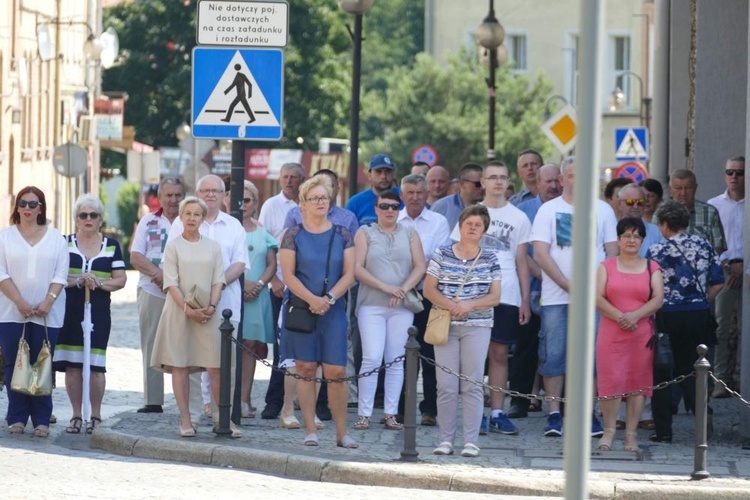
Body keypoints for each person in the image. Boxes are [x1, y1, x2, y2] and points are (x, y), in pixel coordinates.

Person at [531, 156, 618, 437]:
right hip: (556, 296)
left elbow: (612, 251)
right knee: (554, 355)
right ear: (561, 179)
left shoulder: (603, 210)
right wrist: (568, 285)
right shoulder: (548, 210)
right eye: (571, 175)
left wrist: (597, 287)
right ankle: (555, 414)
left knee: (592, 356)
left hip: (594, 298)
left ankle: (586, 412)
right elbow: (540, 253)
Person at [279, 176, 357, 448]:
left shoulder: (342, 234)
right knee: (306, 368)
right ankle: (310, 429)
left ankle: (341, 433)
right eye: (314, 198)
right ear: (303, 204)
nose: (320, 202)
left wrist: (329, 298)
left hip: (333, 310)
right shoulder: (292, 235)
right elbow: (288, 275)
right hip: (302, 307)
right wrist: (313, 299)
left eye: (324, 197)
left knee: (336, 370)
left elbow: (350, 274)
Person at [454, 161, 530, 436]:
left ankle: (497, 412)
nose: (497, 182)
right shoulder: (470, 214)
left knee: (499, 353)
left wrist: (525, 299)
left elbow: (522, 259)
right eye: (492, 177)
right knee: (474, 355)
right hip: (474, 293)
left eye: (502, 177)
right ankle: (475, 413)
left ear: (508, 182)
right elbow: (457, 252)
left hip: (507, 292)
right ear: (482, 182)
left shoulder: (519, 217)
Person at [168, 175, 247, 431]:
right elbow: (170, 270)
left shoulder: (234, 226)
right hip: (184, 307)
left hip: (224, 306)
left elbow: (239, 263)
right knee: (185, 362)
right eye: (205, 190)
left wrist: (215, 291)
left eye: (216, 190)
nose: (210, 194)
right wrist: (189, 304)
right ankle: (188, 418)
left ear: (224, 194)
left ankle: (221, 417)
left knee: (221, 365)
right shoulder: (178, 227)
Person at [424, 205, 501, 458]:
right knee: (445, 385)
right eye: (469, 223)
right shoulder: (442, 254)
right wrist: (453, 306)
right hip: (446, 325)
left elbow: (495, 296)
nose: (472, 228)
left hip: (477, 326)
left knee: (472, 384)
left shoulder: (490, 258)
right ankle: (445, 439)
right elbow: (429, 289)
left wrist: (469, 305)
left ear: (484, 231)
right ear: (460, 225)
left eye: (478, 225)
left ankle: (471, 441)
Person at [151, 197, 231, 437]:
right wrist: (188, 309)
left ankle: (221, 418)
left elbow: (219, 279)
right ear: (181, 217)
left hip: (209, 313)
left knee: (215, 366)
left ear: (203, 218)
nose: (192, 218)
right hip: (179, 313)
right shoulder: (173, 245)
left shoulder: (213, 247)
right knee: (180, 365)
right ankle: (186, 420)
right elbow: (170, 281)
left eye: (197, 214)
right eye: (188, 214)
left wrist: (212, 306)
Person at [646, 200, 724, 443]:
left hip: (667, 316)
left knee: (663, 371)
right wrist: (700, 300)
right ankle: (702, 423)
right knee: (695, 370)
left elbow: (649, 288)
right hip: (698, 315)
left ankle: (664, 430)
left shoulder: (657, 251)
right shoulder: (704, 245)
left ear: (665, 224)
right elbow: (718, 281)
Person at [53, 193, 127, 434]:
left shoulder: (111, 246)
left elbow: (121, 279)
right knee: (73, 365)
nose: (87, 219)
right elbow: (56, 276)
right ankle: (76, 414)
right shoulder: (64, 244)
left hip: (98, 311)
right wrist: (77, 280)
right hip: (70, 311)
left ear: (100, 220)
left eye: (92, 215)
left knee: (96, 365)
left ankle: (95, 414)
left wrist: (98, 282)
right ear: (76, 219)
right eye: (82, 215)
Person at [353, 189, 426, 432]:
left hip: (402, 306)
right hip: (371, 305)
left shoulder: (410, 233)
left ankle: (390, 414)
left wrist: (403, 289)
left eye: (395, 206)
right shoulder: (365, 232)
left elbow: (420, 265)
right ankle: (364, 414)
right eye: (384, 206)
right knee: (371, 357)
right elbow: (358, 269)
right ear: (376, 209)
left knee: (396, 360)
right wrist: (387, 287)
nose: (390, 211)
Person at [0, 187, 68, 436]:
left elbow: (61, 275)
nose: (27, 208)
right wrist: (19, 301)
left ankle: (41, 418)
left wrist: (47, 302)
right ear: (16, 207)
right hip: (10, 312)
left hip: (47, 314)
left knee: (42, 364)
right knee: (15, 364)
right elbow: (1, 274)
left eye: (33, 204)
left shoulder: (56, 239)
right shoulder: (4, 238)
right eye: (23, 204)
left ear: (41, 207)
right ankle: (16, 416)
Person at [595, 218, 664, 452]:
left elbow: (658, 298)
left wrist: (634, 316)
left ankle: (631, 435)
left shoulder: (651, 267)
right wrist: (620, 316)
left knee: (638, 383)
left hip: (640, 333)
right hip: (611, 332)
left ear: (642, 240)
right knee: (610, 381)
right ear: (618, 239)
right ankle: (609, 430)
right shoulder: (606, 266)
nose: (631, 240)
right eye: (626, 235)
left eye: (636, 236)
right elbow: (597, 297)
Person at [396, 174, 451, 426]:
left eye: (420, 192)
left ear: (427, 194)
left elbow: (437, 261)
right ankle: (399, 409)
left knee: (430, 354)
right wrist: (419, 263)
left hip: (427, 295)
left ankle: (430, 409)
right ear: (402, 195)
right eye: (410, 192)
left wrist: (414, 266)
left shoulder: (438, 222)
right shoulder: (393, 219)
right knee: (398, 353)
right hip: (397, 295)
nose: (415, 197)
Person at [510, 163, 562, 418]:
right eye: (548, 182)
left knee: (560, 347)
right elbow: (521, 252)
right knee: (525, 347)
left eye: (556, 181)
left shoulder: (568, 208)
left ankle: (562, 403)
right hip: (530, 288)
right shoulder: (523, 211)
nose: (553, 186)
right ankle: (519, 400)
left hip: (563, 291)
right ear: (537, 184)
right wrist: (545, 276)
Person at [130, 177, 185, 414]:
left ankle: (190, 401)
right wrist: (159, 274)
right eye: (169, 195)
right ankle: (153, 400)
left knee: (187, 345)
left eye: (177, 195)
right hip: (153, 290)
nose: (173, 200)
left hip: (185, 292)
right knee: (151, 343)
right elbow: (135, 255)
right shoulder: (148, 221)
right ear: (160, 197)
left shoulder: (191, 220)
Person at [258, 162, 305, 420]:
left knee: (306, 346)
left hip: (305, 286)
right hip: (279, 286)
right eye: (285, 177)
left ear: (302, 179)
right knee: (281, 346)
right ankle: (274, 402)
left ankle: (310, 402)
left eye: (294, 177)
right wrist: (274, 281)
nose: (289, 181)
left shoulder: (309, 206)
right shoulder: (271, 206)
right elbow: (268, 246)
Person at [240, 180, 277, 419]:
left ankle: (244, 398)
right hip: (232, 292)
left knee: (251, 346)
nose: (242, 205)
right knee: (227, 345)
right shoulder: (226, 228)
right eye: (238, 200)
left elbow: (272, 263)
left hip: (258, 295)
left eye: (247, 200)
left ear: (255, 203)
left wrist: (259, 284)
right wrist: (243, 284)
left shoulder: (264, 232)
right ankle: (222, 398)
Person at [707, 156, 744, 396]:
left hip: (748, 271)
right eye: (729, 172)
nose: (733, 176)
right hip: (725, 272)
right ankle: (721, 379)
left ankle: (743, 377)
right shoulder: (714, 205)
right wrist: (727, 265)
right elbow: (711, 242)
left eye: (739, 172)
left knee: (745, 328)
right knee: (722, 327)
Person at [660, 169, 726, 255]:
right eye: (678, 188)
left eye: (687, 188)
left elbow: (719, 247)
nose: (683, 193)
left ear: (695, 188)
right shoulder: (661, 214)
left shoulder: (710, 213)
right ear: (670, 190)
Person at [346, 153, 400, 227]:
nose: (383, 176)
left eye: (388, 171)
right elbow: (346, 233)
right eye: (378, 171)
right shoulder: (356, 203)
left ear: (393, 174)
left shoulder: (404, 197)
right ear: (369, 175)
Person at [431, 163, 485, 230]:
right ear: (463, 184)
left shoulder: (488, 208)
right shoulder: (442, 206)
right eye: (478, 184)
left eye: (484, 183)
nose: (482, 187)